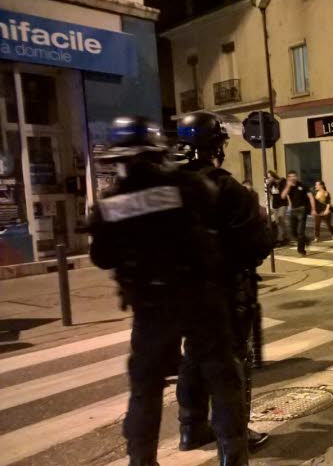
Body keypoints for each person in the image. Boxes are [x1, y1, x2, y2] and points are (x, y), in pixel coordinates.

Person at [86, 116, 248, 465]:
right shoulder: (188, 187)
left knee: (145, 389)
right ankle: (233, 456)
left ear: (119, 160)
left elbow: (101, 257)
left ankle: (142, 460)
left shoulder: (110, 206)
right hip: (201, 300)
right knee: (222, 378)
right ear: (159, 151)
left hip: (150, 308)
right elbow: (210, 217)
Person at [175, 112, 272, 456]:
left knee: (192, 358)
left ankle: (190, 429)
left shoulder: (164, 187)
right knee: (232, 365)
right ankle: (236, 439)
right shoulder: (228, 188)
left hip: (182, 294)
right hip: (225, 292)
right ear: (216, 145)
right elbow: (258, 247)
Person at [282, 170, 316, 255]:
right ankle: (306, 240)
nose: (293, 178)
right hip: (293, 210)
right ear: (288, 178)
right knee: (293, 232)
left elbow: (311, 197)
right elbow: (282, 196)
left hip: (302, 210)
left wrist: (313, 209)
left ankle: (301, 250)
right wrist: (288, 186)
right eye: (290, 176)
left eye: (294, 176)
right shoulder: (288, 187)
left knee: (301, 231)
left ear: (297, 177)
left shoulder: (302, 185)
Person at [267, 171, 289, 246]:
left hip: (283, 203)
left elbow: (286, 190)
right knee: (277, 221)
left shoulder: (282, 181)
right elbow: (270, 195)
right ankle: (283, 237)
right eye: (268, 177)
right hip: (275, 205)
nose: (268, 178)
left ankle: (282, 238)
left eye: (269, 177)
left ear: (273, 176)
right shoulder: (270, 184)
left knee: (280, 218)